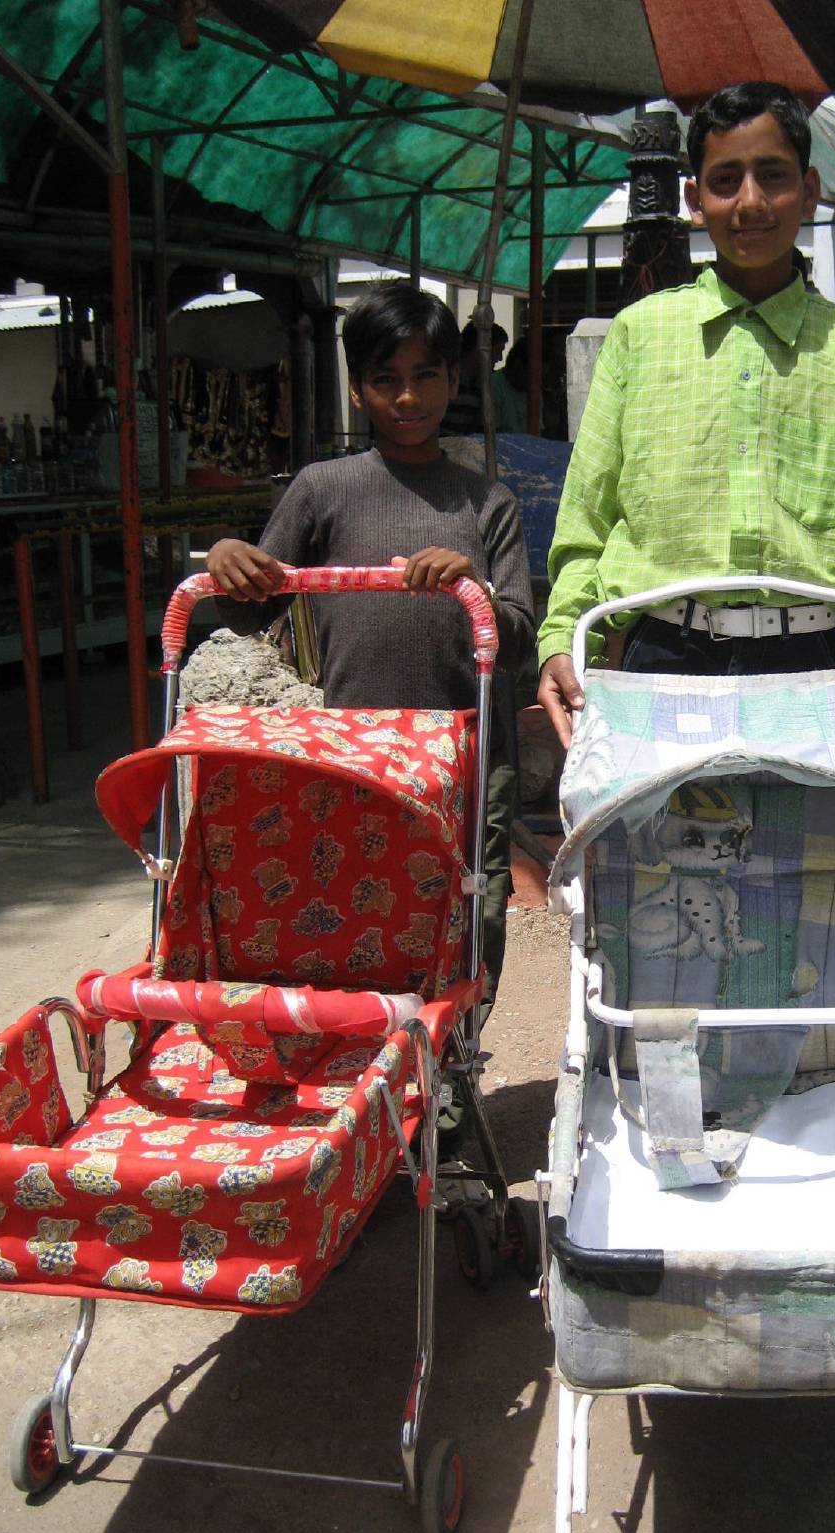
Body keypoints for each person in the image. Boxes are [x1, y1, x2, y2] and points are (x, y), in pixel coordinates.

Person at [536, 81, 835, 746]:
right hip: (662, 656)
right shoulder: (638, 336)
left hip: (815, 661)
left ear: (809, 190)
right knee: (655, 850)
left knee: (813, 852)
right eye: (725, 180)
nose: (749, 202)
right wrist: (562, 636)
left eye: (771, 176)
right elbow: (586, 518)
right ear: (693, 201)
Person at [206, 282, 535, 1021]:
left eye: (425, 376)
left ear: (454, 380)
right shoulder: (324, 488)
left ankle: (450, 1089)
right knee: (365, 903)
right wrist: (231, 555)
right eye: (386, 380)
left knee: (471, 911)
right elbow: (247, 602)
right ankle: (376, 1080)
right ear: (358, 391)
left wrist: (473, 589)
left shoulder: (487, 504)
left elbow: (516, 637)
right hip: (362, 746)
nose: (407, 397)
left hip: (473, 752)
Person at [441, 321, 508, 435]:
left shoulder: (480, 386)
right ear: (481, 348)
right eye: (497, 351)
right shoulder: (446, 379)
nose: (500, 358)